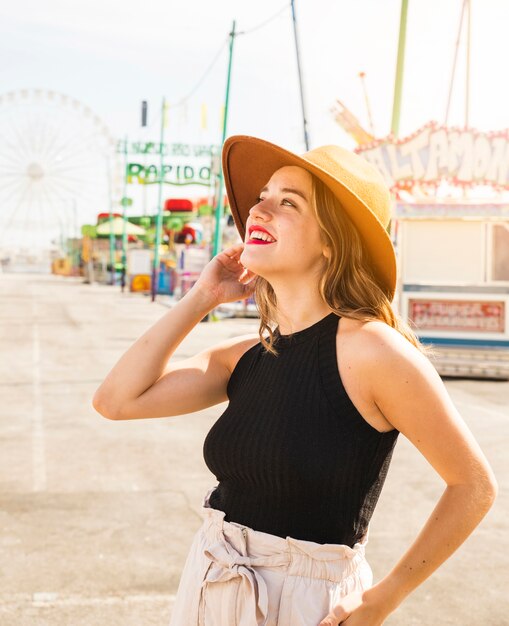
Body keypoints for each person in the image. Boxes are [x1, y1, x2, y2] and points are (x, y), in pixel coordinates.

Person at [92, 135, 497, 626]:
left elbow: (473, 485)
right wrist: (200, 298)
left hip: (305, 600)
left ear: (331, 241)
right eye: (262, 196)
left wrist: (387, 595)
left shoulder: (373, 350)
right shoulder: (245, 354)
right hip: (210, 576)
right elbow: (116, 400)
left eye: (288, 202)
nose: (259, 209)